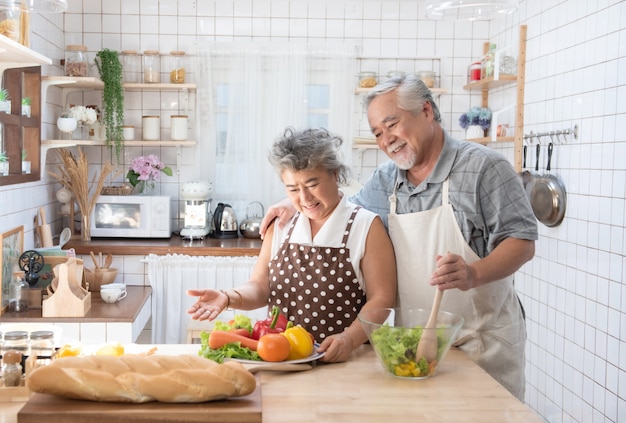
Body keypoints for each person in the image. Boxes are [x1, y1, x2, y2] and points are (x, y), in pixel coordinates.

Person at [260, 75, 538, 400]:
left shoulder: (484, 167)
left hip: (481, 345)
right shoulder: (386, 179)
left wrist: (473, 273)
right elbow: (341, 208)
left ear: (426, 111)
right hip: (413, 349)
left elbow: (522, 241)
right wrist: (292, 200)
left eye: (392, 125)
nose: (386, 139)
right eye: (378, 132)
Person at [187, 127, 397, 363]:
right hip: (282, 360)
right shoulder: (282, 224)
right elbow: (260, 287)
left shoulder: (366, 226)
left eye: (312, 184)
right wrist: (228, 296)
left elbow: (382, 298)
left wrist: (348, 339)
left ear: (335, 174)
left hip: (347, 360)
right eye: (293, 189)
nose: (305, 198)